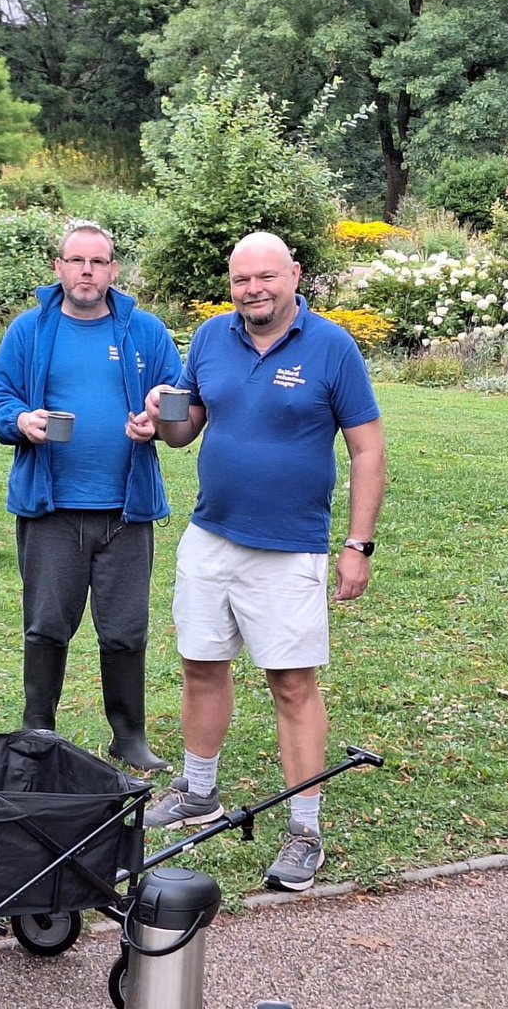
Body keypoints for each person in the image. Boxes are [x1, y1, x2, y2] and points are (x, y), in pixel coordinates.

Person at [141, 231, 386, 892]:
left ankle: (305, 830)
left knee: (292, 686)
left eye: (266, 277)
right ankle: (199, 793)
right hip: (211, 536)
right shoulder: (212, 339)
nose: (253, 289)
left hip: (289, 549)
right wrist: (157, 421)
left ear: (294, 275)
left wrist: (358, 546)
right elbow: (186, 427)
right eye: (241, 278)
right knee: (200, 665)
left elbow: (367, 449)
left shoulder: (332, 347)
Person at [0, 222, 181, 773]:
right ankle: (38, 725)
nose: (87, 271)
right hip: (51, 509)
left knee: (125, 629)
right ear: (59, 268)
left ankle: (129, 734)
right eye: (77, 260)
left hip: (126, 510)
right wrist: (20, 419)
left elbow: (181, 397)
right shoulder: (30, 332)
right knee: (47, 623)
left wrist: (159, 416)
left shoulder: (145, 331)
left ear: (114, 270)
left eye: (98, 261)